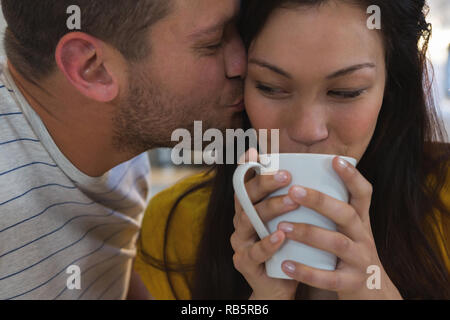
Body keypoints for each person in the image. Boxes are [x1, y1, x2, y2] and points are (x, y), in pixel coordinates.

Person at [135, 0, 450, 300]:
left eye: (346, 91)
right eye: (270, 87)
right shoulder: (172, 231)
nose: (307, 130)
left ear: (392, 88)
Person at [0, 0, 246, 300]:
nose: (242, 63)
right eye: (213, 42)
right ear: (94, 69)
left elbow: (110, 274)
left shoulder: (119, 134)